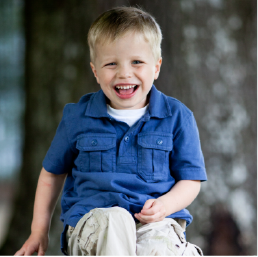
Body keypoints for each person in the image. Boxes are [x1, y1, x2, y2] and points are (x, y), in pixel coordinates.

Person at [15, 6, 207, 256]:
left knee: (159, 245)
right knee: (115, 220)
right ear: (95, 71)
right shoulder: (78, 117)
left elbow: (190, 180)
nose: (124, 73)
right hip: (93, 226)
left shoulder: (177, 117)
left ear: (156, 67)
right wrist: (38, 231)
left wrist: (164, 205)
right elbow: (51, 175)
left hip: (154, 224)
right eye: (111, 64)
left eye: (137, 62)